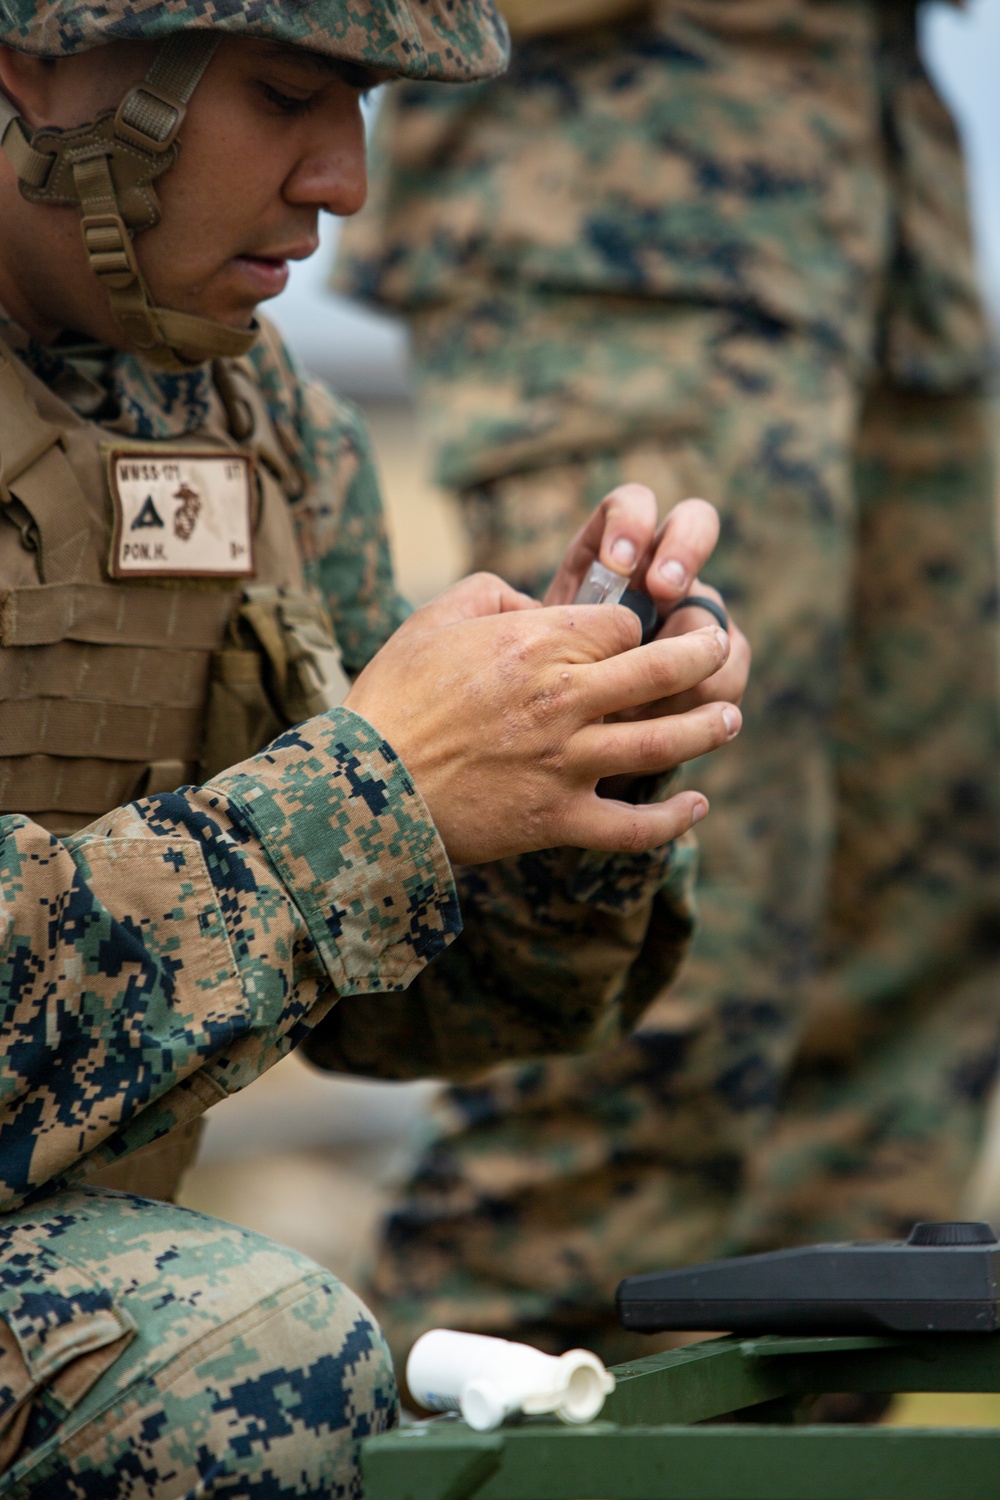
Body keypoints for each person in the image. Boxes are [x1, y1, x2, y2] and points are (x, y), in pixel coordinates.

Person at [0, 1, 753, 1491]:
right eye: (284, 95)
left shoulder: (255, 419)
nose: (343, 181)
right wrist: (379, 788)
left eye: (361, 112)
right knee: (240, 1361)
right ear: (34, 61)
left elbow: (402, 1018)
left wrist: (565, 765)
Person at [333, 0, 1000, 1370]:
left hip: (879, 235)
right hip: (621, 239)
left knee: (913, 936)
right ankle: (481, 1424)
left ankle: (793, 1450)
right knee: (659, 966)